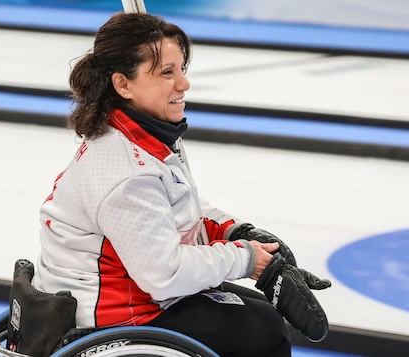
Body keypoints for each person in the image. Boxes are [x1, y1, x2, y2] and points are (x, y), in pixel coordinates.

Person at [31, 12, 331, 357]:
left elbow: (174, 208)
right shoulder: (127, 171)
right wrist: (248, 260)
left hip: (126, 295)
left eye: (181, 69)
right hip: (112, 317)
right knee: (262, 331)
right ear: (122, 84)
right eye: (166, 73)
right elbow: (166, 274)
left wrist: (234, 233)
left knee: (253, 307)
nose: (183, 84)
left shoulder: (136, 138)